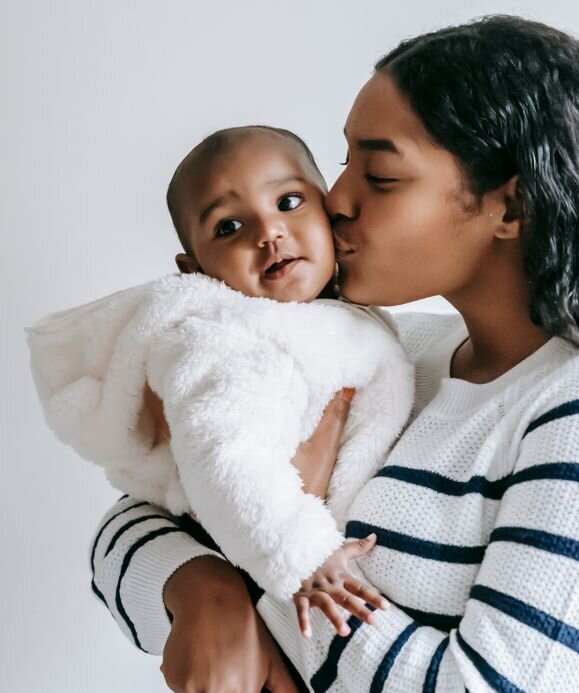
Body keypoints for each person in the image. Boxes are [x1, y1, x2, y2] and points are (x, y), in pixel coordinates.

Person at [93, 15, 579, 693]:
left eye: (381, 176)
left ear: (510, 206)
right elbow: (136, 513)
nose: (333, 202)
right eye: (342, 163)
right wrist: (199, 587)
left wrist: (275, 570)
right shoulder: (389, 353)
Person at [28, 125, 410, 633]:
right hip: (276, 578)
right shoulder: (224, 341)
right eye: (228, 227)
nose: (268, 232)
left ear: (327, 208)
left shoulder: (350, 324)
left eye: (289, 201)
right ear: (196, 271)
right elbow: (224, 457)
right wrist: (303, 554)